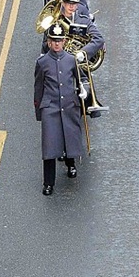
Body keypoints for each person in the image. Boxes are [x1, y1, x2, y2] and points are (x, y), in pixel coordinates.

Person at [34, 23, 85, 196]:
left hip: (69, 105)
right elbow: (38, 88)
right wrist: (39, 111)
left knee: (69, 136)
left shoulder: (71, 60)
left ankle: (71, 164)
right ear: (48, 42)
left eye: (59, 40)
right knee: (50, 145)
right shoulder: (42, 62)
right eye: (53, 40)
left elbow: (79, 82)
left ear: (64, 41)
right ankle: (48, 183)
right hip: (50, 107)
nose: (57, 44)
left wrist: (83, 96)